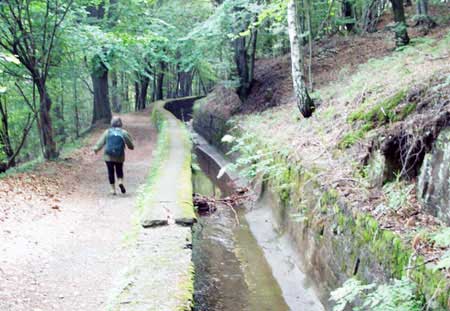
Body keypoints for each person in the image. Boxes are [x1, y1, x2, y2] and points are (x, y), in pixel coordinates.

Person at [93, 117, 134, 195]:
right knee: (119, 169)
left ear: (112, 123)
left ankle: (113, 189)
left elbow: (101, 142)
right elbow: (130, 145)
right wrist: (131, 147)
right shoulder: (123, 132)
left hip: (108, 156)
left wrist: (96, 149)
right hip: (119, 156)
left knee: (110, 171)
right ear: (120, 123)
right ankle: (120, 182)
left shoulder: (107, 132)